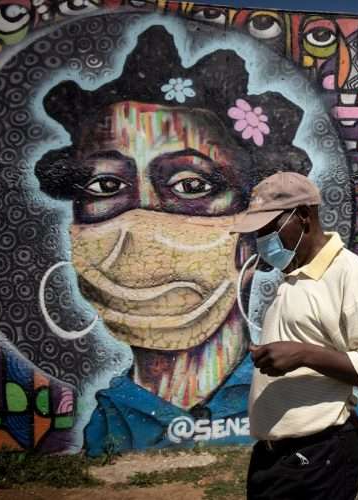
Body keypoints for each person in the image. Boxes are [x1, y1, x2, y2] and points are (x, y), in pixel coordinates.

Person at [32, 24, 313, 455]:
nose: (140, 227)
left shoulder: (289, 393)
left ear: (251, 225)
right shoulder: (106, 423)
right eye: (105, 187)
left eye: (191, 185)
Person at [231, 171, 358, 499]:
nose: (262, 240)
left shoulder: (347, 272)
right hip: (277, 456)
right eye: (258, 233)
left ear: (304, 216)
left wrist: (304, 354)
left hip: (319, 455)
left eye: (269, 229)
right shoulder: (293, 275)